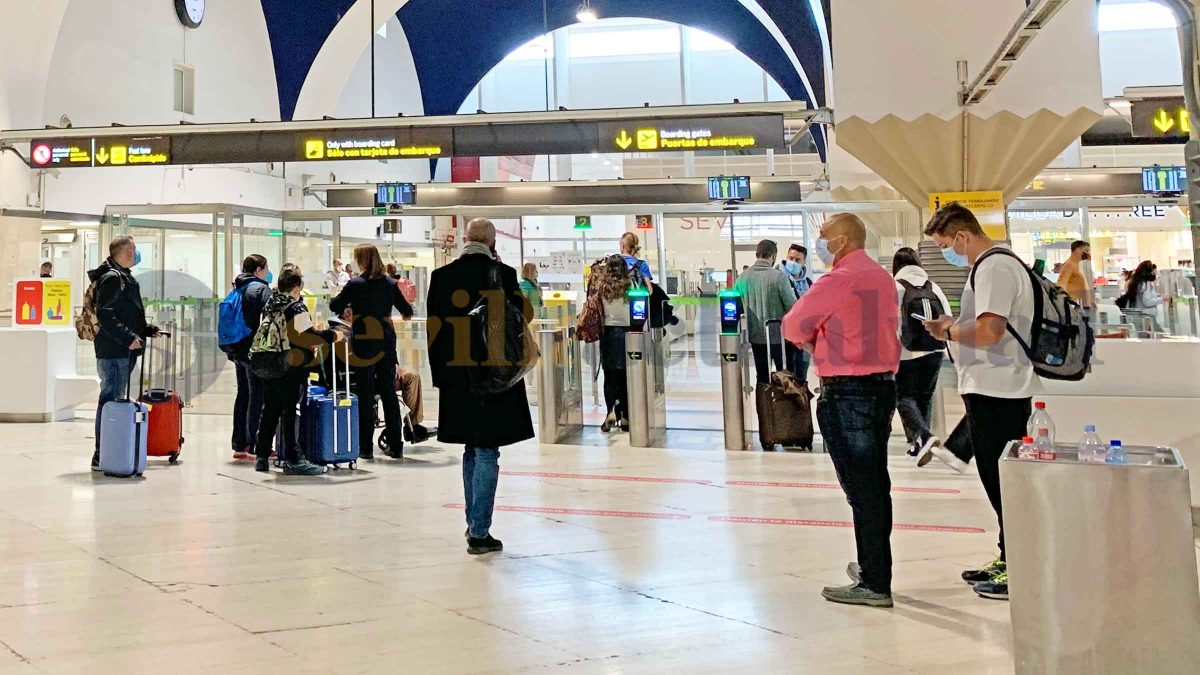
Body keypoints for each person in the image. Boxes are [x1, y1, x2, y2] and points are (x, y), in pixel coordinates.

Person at [921, 202, 1040, 602]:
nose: (945, 252)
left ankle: (1019, 565)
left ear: (961, 236)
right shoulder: (991, 265)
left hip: (1000, 389)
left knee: (1003, 483)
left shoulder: (994, 266)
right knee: (996, 479)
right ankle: (1010, 555)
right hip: (993, 388)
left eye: (944, 244)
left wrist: (950, 333)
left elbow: (990, 329)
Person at [782, 213, 900, 608]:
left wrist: (816, 340)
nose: (818, 243)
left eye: (824, 237)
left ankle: (874, 581)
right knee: (874, 485)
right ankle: (873, 566)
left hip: (847, 391)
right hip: (882, 388)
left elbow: (793, 325)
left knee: (861, 490)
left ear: (844, 241)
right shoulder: (882, 278)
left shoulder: (838, 280)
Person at [426, 218, 534, 555]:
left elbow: (433, 332)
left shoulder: (441, 276)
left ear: (465, 239)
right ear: (492, 242)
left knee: (471, 448)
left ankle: (474, 522)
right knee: (487, 449)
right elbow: (520, 321)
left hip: (457, 377)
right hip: (495, 377)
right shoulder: (503, 275)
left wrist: (439, 377)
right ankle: (479, 531)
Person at [329, 245, 413, 460]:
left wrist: (348, 306)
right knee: (388, 394)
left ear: (361, 260)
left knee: (365, 394)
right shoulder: (390, 284)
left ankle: (365, 447)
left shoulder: (355, 284)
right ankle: (396, 445)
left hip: (364, 343)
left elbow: (334, 305)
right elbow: (407, 311)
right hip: (386, 342)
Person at [252, 269, 338, 475]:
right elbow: (308, 336)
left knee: (270, 409)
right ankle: (294, 458)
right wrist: (332, 336)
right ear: (297, 287)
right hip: (292, 367)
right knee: (290, 412)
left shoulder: (270, 304)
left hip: (270, 364)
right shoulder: (297, 306)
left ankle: (261, 456)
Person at [88, 235, 160, 470]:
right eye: (134, 250)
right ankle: (103, 454)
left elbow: (125, 314)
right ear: (127, 252)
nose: (136, 254)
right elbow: (106, 314)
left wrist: (147, 330)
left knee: (113, 399)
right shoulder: (112, 278)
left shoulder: (122, 276)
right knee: (110, 401)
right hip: (114, 351)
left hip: (119, 350)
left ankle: (111, 451)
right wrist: (129, 338)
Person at [327, 308, 436, 444]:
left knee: (412, 376)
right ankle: (407, 428)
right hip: (361, 380)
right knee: (408, 378)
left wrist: (392, 364)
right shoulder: (341, 333)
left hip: (376, 374)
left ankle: (412, 426)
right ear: (346, 312)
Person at [891, 247, 953, 462]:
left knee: (902, 396)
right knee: (923, 398)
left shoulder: (895, 286)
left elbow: (887, 322)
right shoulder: (933, 286)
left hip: (905, 352)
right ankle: (919, 444)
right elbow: (948, 317)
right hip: (934, 350)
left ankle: (924, 436)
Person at [735, 240, 798, 384]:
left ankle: (763, 405)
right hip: (781, 339)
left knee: (762, 377)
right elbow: (793, 308)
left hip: (756, 338)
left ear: (757, 253)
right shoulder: (778, 277)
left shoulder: (742, 279)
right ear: (774, 255)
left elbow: (738, 310)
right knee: (785, 377)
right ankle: (783, 406)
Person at [229, 255, 273, 461]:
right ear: (258, 270)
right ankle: (256, 443)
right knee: (259, 395)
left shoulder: (237, 287)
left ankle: (240, 444)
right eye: (265, 269)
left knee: (243, 393)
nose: (267, 273)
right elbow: (273, 315)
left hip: (237, 347)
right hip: (255, 349)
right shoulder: (261, 288)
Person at [590, 255, 634, 432]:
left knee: (610, 376)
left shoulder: (602, 287)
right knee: (624, 376)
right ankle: (625, 417)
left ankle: (610, 412)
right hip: (626, 333)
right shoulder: (630, 285)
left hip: (607, 334)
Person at [779, 243, 813, 380]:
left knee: (801, 376)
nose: (793, 262)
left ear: (804, 262)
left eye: (797, 260)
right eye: (791, 258)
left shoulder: (809, 283)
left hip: (804, 338)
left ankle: (801, 401)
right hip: (785, 338)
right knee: (786, 377)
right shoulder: (779, 279)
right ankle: (787, 402)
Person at [1119, 260, 1164, 333]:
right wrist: (1162, 299)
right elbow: (1147, 301)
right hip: (1146, 317)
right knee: (1159, 336)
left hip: (1138, 316)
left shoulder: (1136, 283)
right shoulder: (1145, 284)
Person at [1056, 240, 1094, 313]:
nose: (1087, 253)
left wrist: (1090, 301)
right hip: (1075, 306)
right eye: (1085, 250)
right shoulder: (1069, 265)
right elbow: (1061, 284)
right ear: (1077, 249)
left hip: (1083, 305)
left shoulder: (1077, 264)